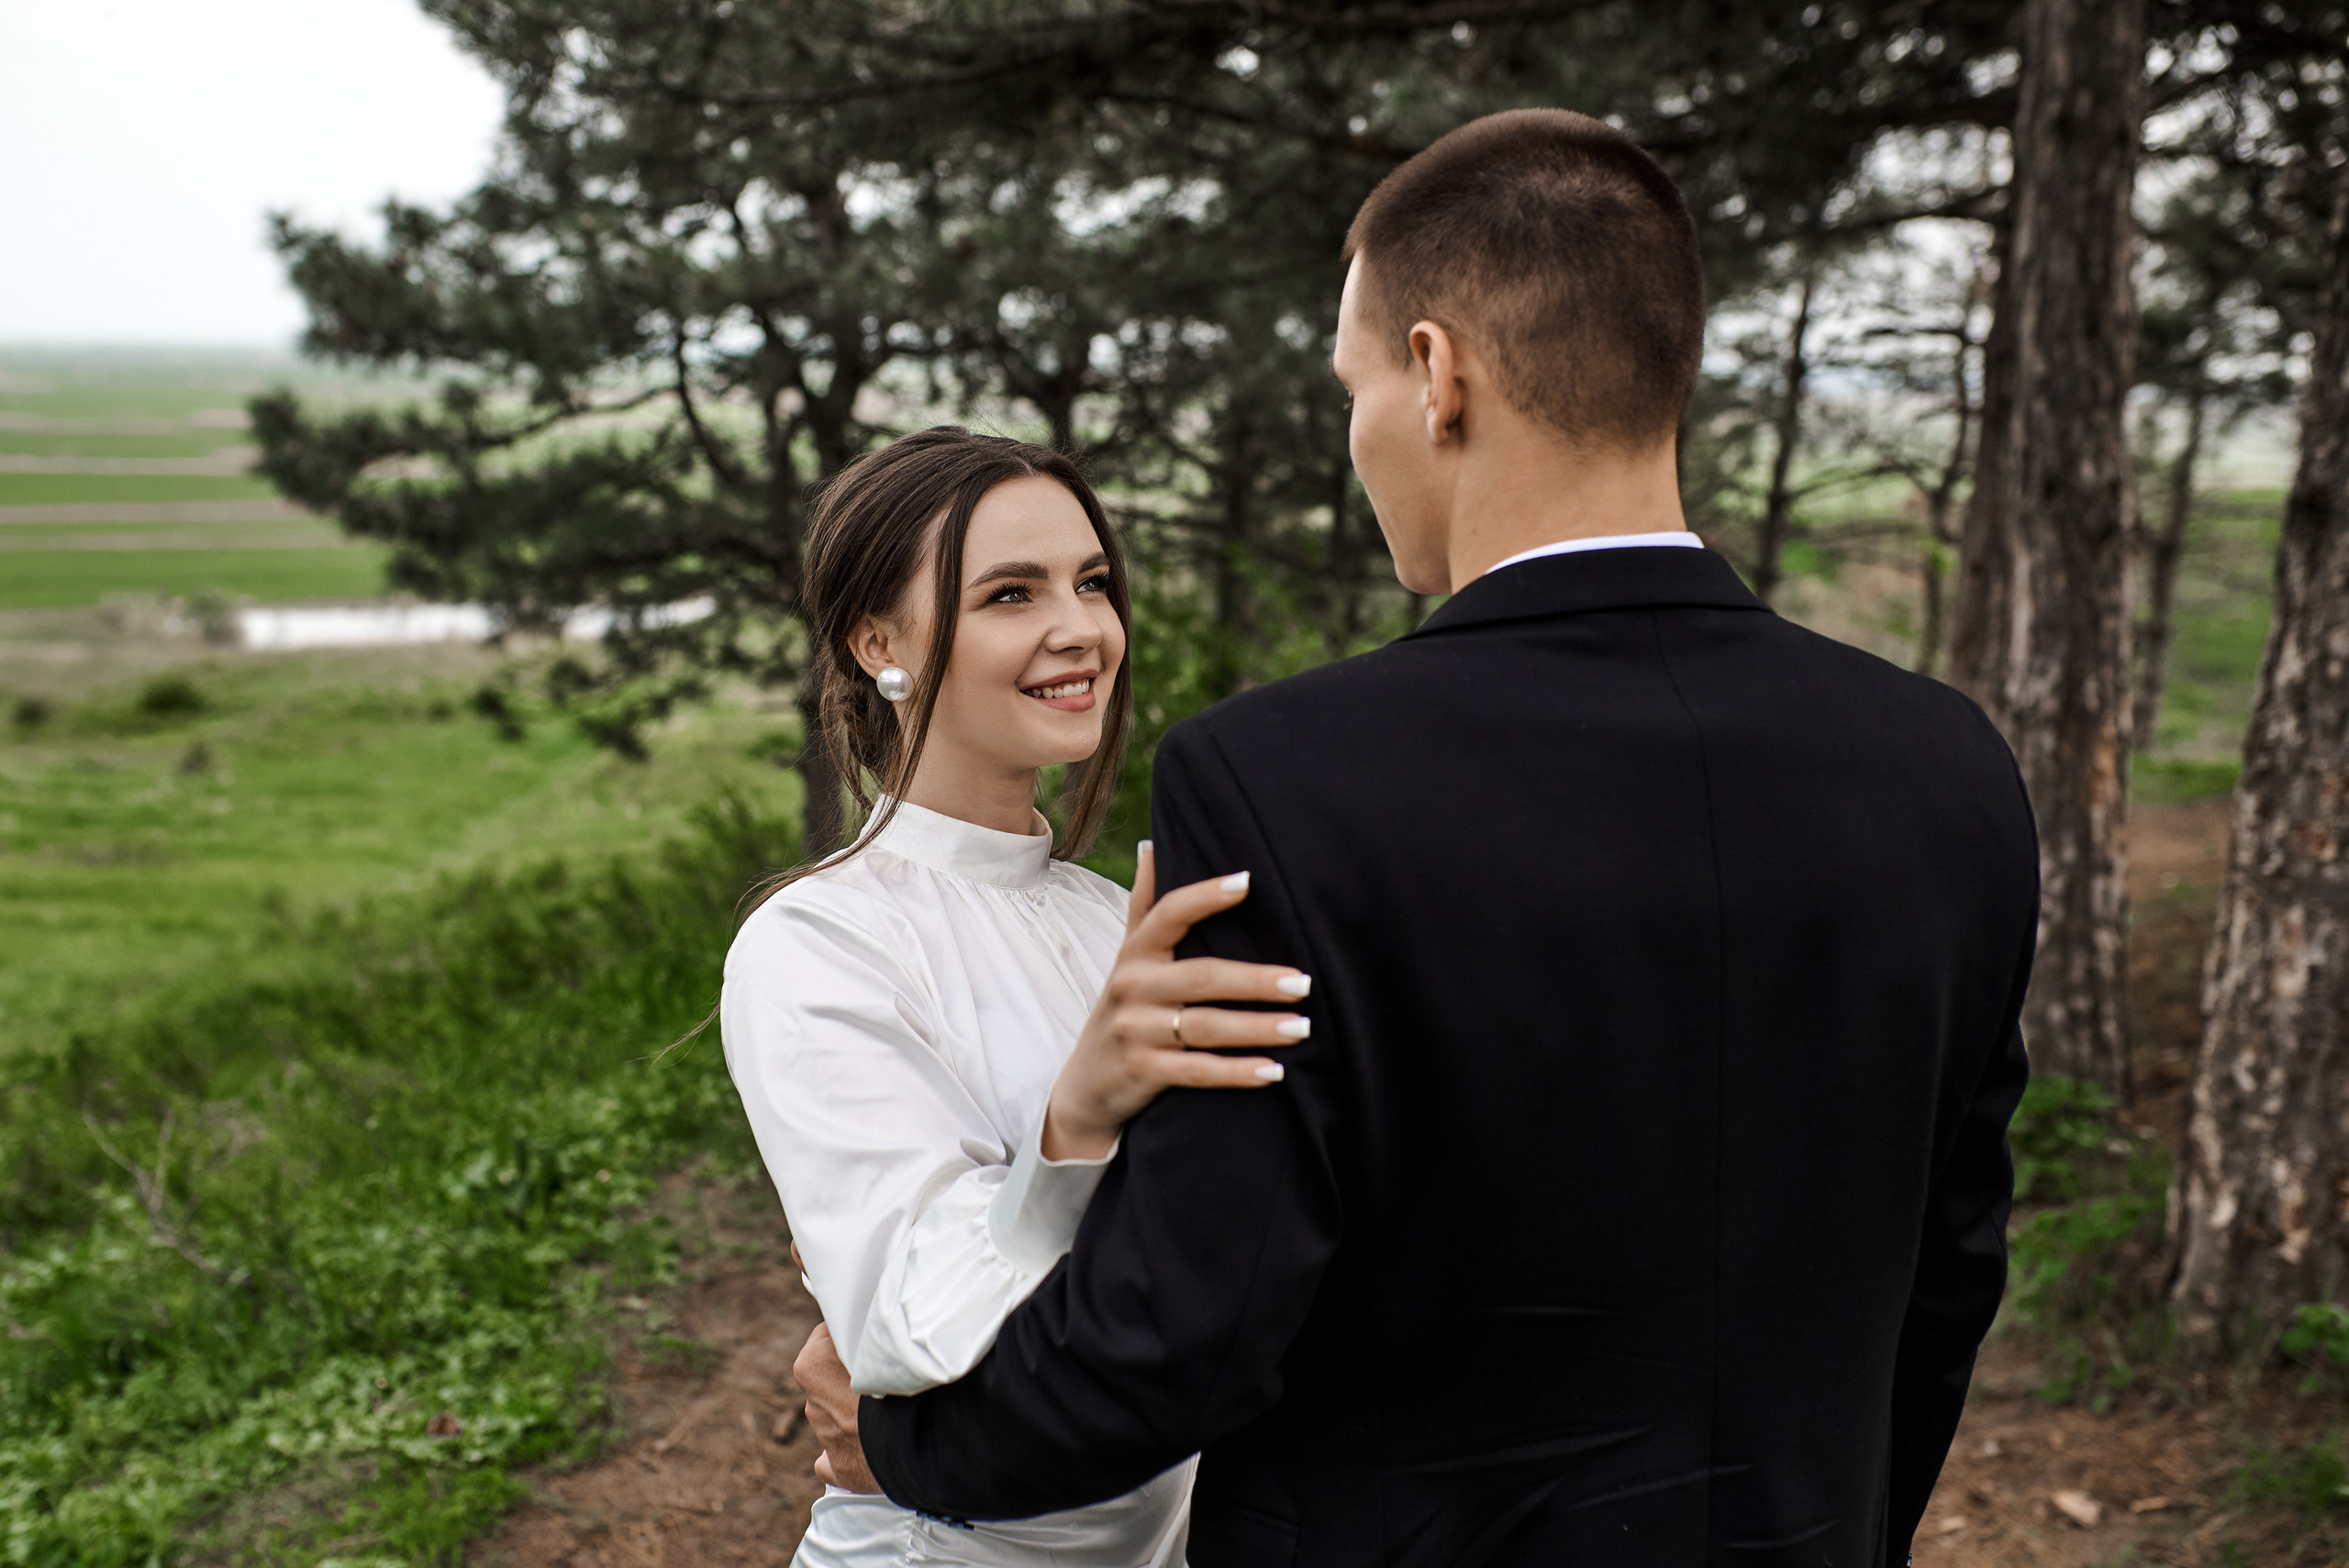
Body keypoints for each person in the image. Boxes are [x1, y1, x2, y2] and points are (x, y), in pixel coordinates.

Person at [798, 108, 2038, 1567]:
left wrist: (909, 1446)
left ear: (1437, 374)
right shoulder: (1947, 768)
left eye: (1355, 384)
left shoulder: (1282, 785)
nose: (1359, 433)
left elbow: (1195, 1323)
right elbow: (1948, 1266)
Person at [721, 428, 1319, 1568]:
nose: (1080, 626)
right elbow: (910, 1319)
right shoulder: (817, 944)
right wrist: (1074, 1122)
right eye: (1010, 592)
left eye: (1091, 581)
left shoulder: (1116, 920)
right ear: (876, 642)